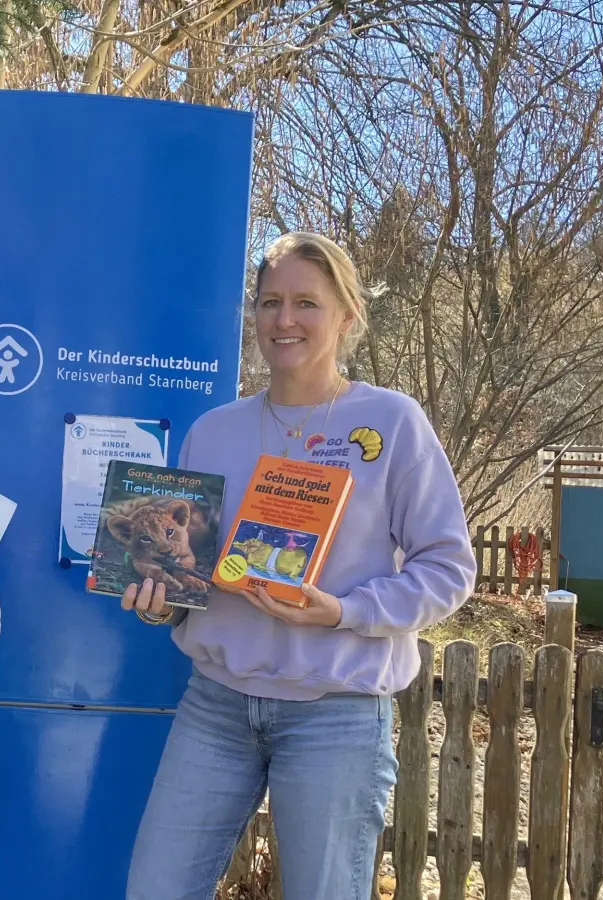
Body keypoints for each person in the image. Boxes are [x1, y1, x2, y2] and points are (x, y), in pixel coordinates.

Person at [121, 232, 476, 899]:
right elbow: (189, 572)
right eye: (269, 302)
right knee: (155, 888)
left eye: (306, 303)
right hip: (217, 706)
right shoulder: (213, 430)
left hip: (336, 714)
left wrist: (345, 611)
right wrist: (160, 597)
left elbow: (448, 568)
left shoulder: (392, 423)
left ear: (346, 315)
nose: (284, 320)